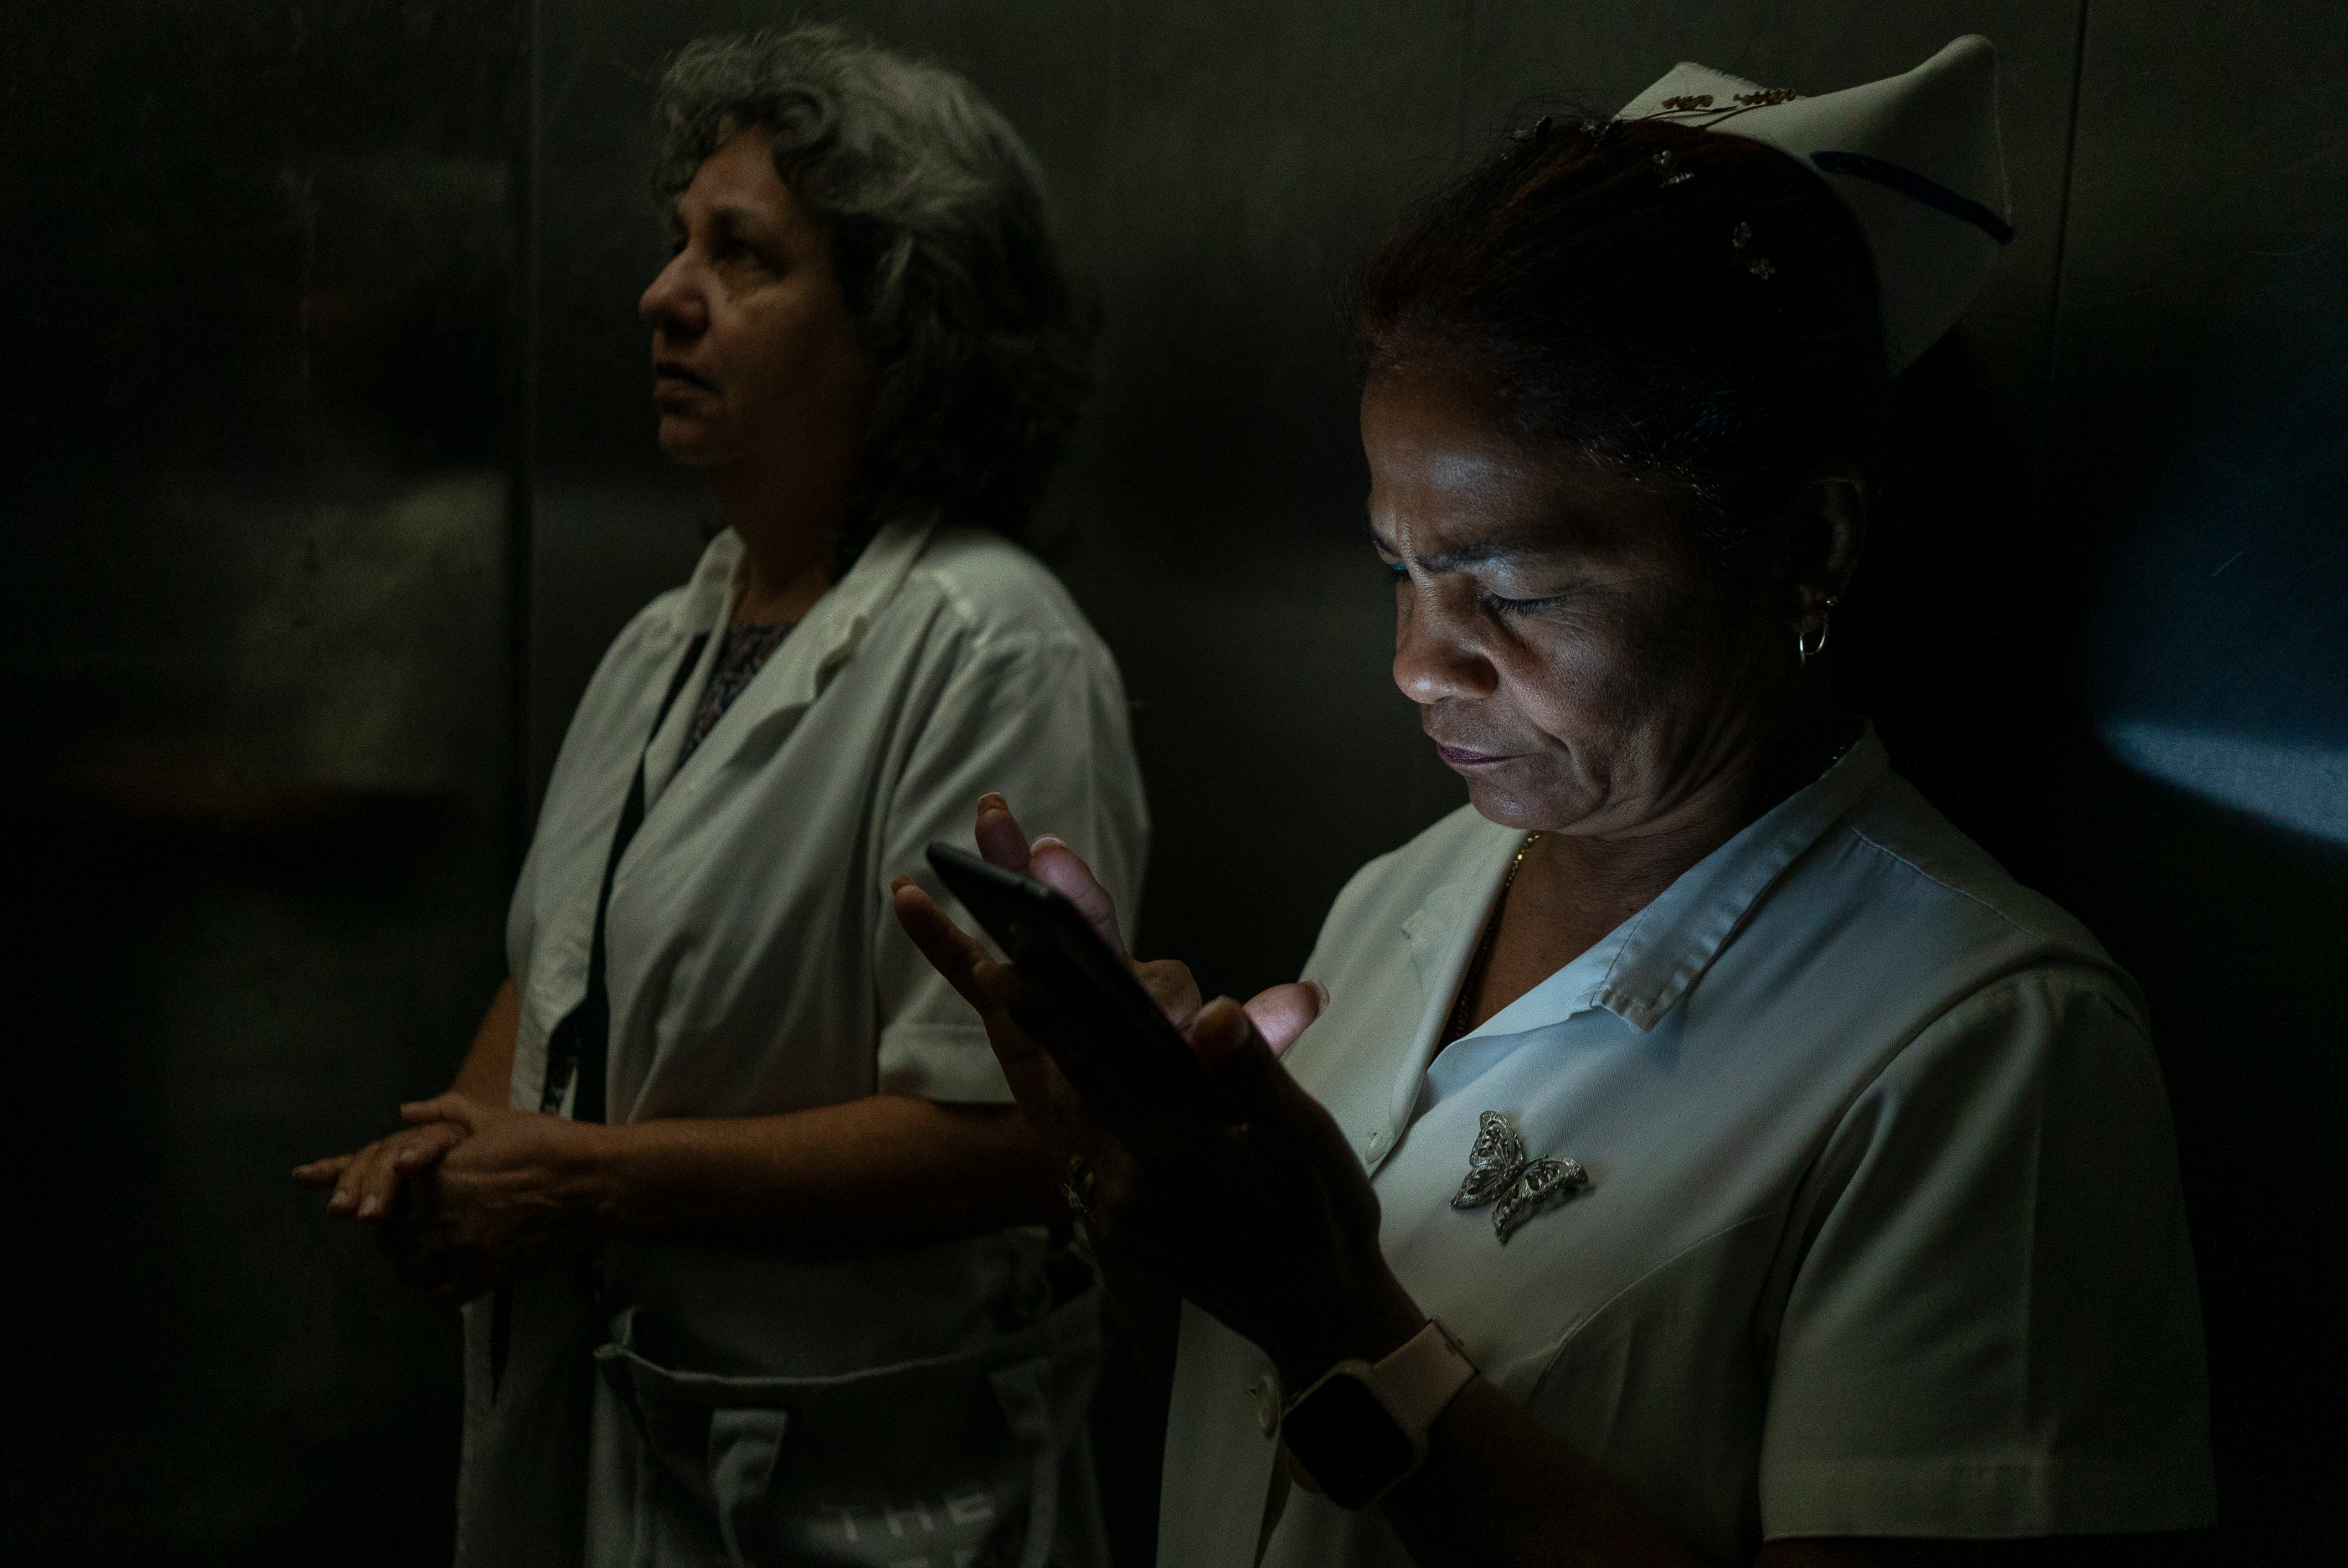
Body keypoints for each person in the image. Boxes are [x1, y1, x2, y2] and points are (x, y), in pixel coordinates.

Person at [892, 38, 2215, 1568]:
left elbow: (1336, 1377)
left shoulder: (1987, 1053)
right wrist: (1141, 1189)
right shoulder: (1406, 897)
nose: (1416, 668)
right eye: (1401, 572)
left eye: (1512, 592)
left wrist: (1341, 1323)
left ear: (1809, 553)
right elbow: (1255, 1452)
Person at [294, 24, 1144, 1568]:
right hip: (624, 1439)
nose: (663, 294)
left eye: (741, 255)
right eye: (679, 241)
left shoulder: (993, 644)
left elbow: (1013, 1132)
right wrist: (455, 1144)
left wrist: (584, 1184)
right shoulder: (672, 635)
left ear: (901, 317)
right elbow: (561, 966)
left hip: (860, 1478)